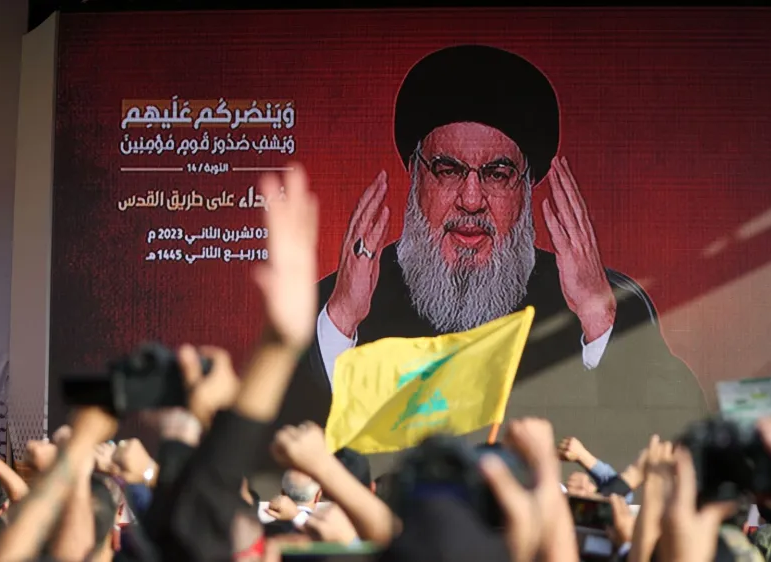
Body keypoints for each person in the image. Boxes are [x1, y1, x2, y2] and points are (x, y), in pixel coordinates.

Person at [281, 44, 707, 457]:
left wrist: (599, 321)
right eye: (447, 170)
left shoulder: (608, 305)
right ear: (415, 176)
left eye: (497, 174)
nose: (470, 199)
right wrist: (338, 328)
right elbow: (275, 462)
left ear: (525, 187)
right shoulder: (335, 307)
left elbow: (683, 449)